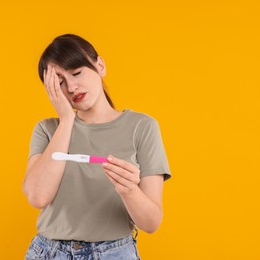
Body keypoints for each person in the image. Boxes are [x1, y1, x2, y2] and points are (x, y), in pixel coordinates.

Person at [22, 34, 171, 260]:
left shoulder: (142, 127)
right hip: (49, 253)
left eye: (77, 73)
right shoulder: (47, 130)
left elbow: (151, 223)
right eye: (59, 82)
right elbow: (37, 197)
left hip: (115, 253)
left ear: (100, 65)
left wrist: (128, 190)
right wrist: (66, 120)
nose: (71, 87)